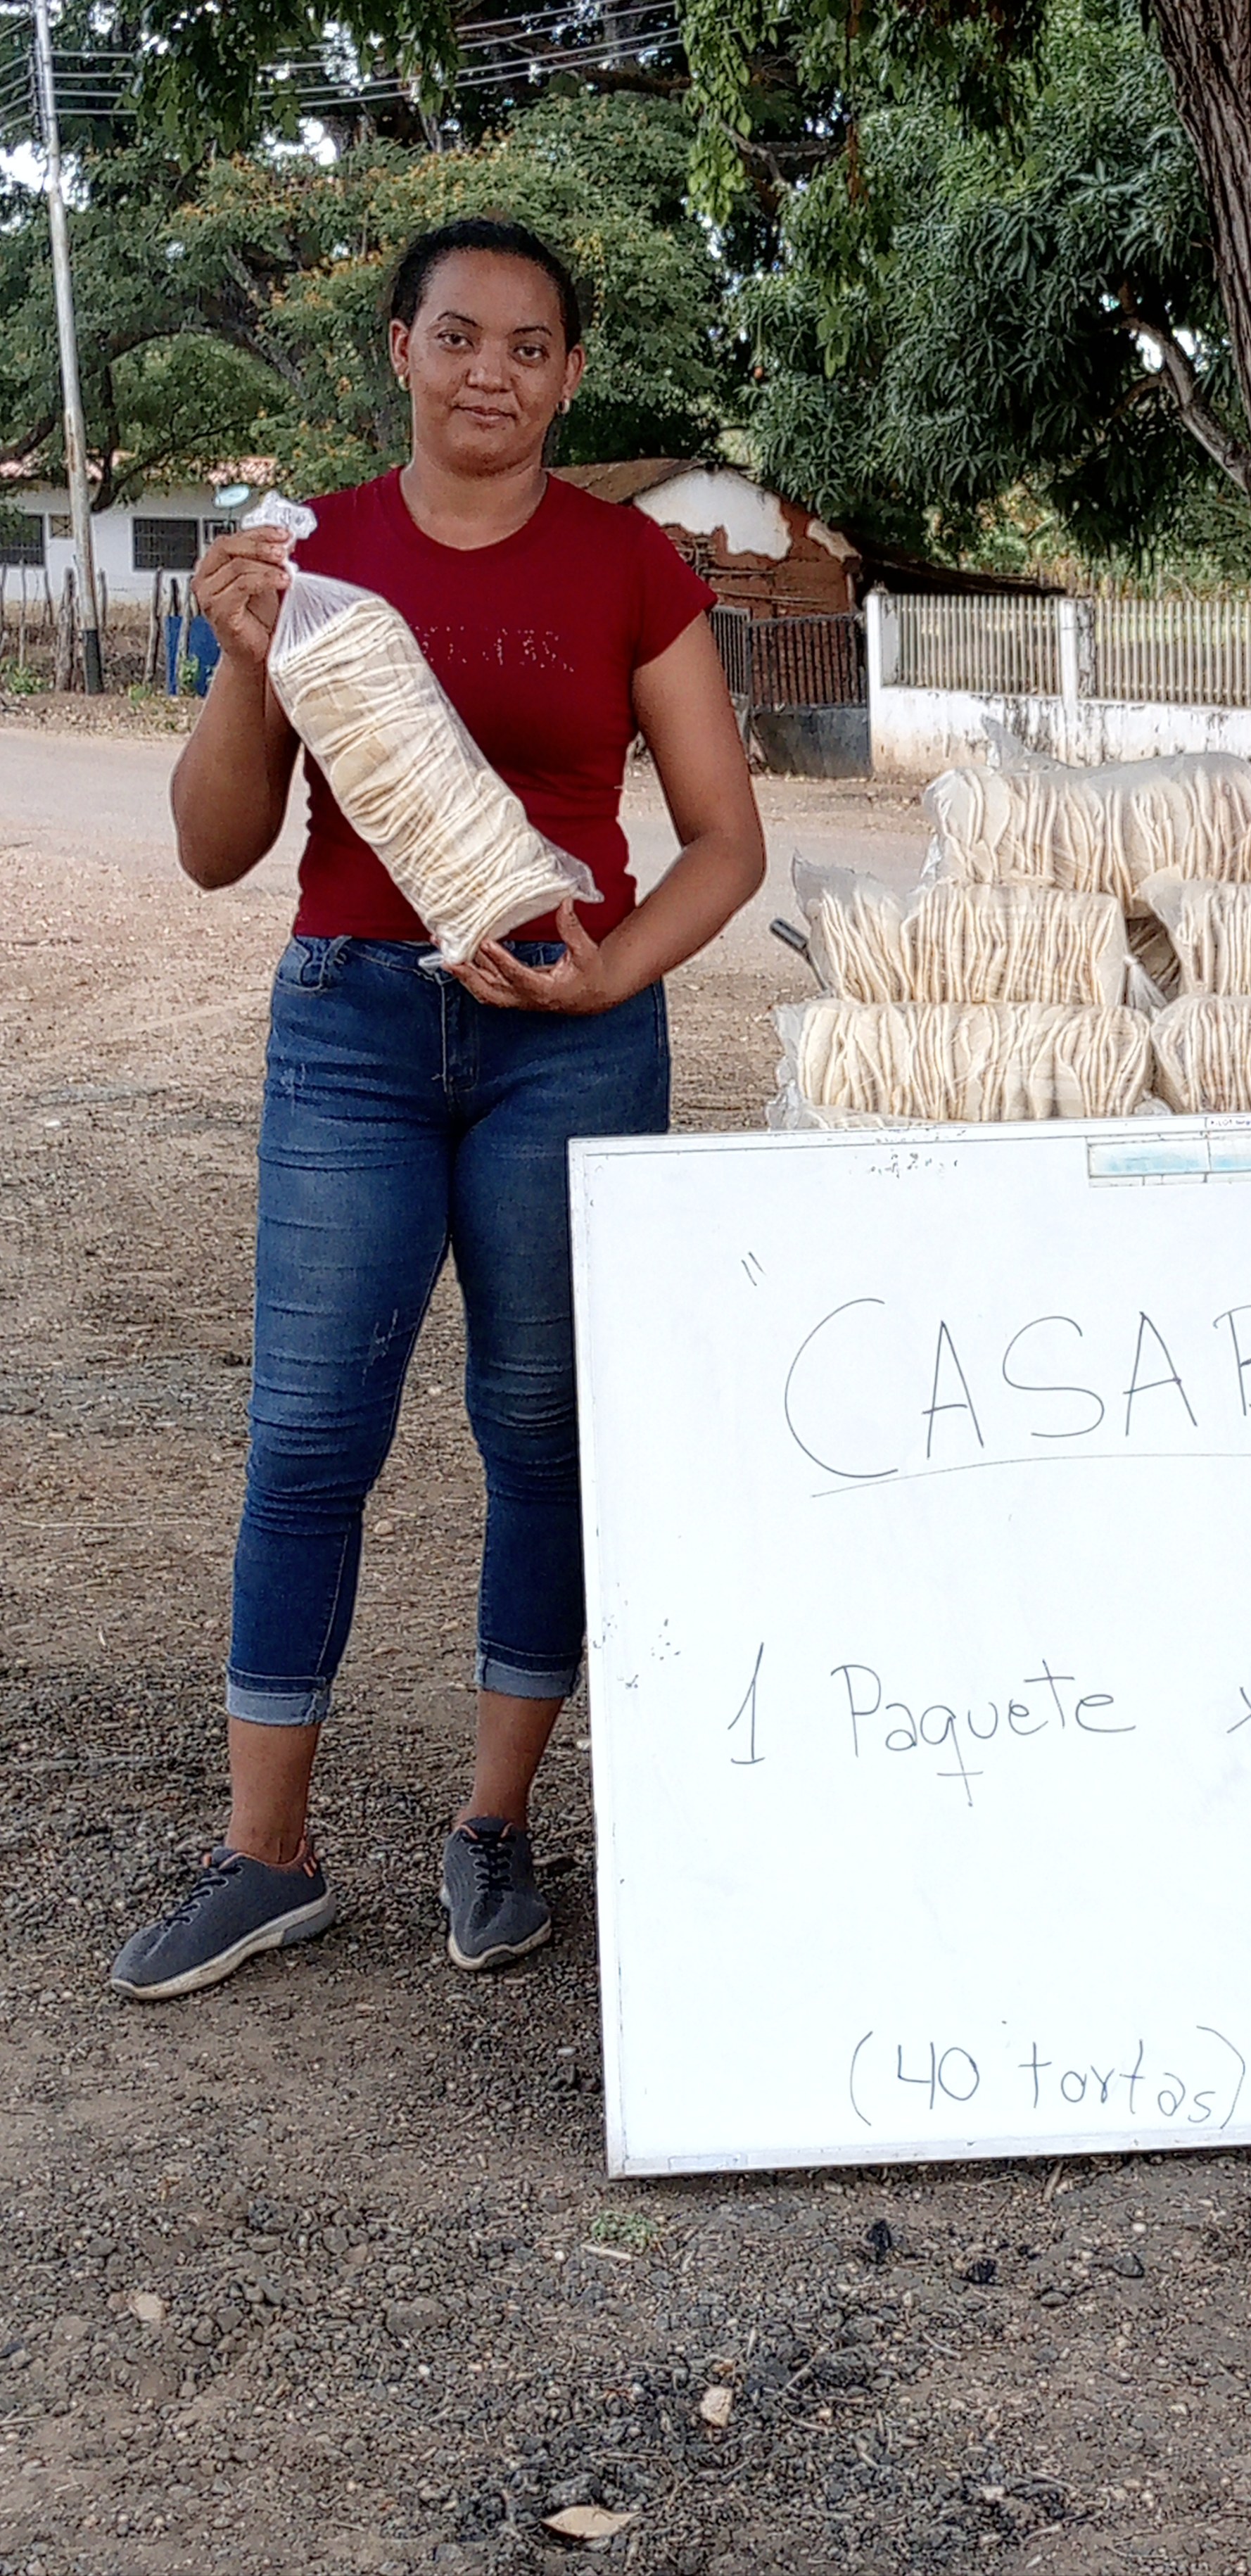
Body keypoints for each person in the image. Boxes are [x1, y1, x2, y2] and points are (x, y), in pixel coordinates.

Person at [109, 217, 764, 2000]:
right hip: (354, 1029)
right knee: (312, 1430)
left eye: (530, 346)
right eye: (459, 335)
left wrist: (609, 979)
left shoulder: (628, 564)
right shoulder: (307, 558)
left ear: (569, 375)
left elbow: (725, 842)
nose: (493, 372)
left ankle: (495, 1825)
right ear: (398, 346)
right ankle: (265, 1856)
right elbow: (214, 849)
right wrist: (243, 657)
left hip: (569, 1038)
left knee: (540, 1429)